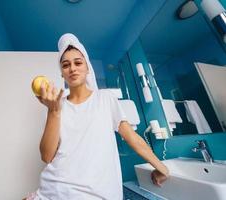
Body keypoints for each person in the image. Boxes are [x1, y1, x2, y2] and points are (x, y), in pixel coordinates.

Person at [24, 33, 169, 200]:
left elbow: (132, 138)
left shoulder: (105, 98)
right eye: (66, 65)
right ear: (62, 73)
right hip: (52, 192)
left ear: (87, 68)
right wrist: (53, 111)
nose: (72, 68)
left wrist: (161, 167)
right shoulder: (57, 104)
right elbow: (47, 156)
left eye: (78, 63)